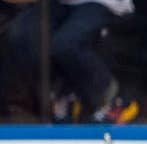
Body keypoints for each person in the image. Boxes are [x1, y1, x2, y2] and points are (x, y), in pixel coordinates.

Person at [3, 0, 138, 123]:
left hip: (102, 2)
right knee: (22, 34)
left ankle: (112, 100)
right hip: (61, 4)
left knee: (66, 43)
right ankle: (62, 95)